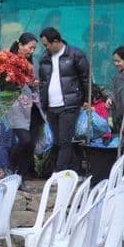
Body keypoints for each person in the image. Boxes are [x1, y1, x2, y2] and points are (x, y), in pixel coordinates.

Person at [38, 27, 90, 172]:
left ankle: (59, 172)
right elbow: (43, 82)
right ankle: (75, 169)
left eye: (47, 44)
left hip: (69, 104)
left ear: (56, 41)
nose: (45, 48)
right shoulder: (44, 58)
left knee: (65, 141)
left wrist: (87, 99)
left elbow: (85, 79)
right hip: (51, 105)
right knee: (58, 141)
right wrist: (43, 101)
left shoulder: (76, 54)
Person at [2, 33, 40, 187]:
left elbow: (32, 82)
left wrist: (33, 83)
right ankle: (10, 168)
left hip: (32, 107)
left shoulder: (31, 63)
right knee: (24, 140)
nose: (32, 51)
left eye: (34, 48)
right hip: (14, 106)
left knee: (30, 144)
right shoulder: (8, 60)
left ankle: (21, 178)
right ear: (20, 45)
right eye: (30, 47)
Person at [106, 46, 124, 136]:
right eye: (114, 61)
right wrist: (110, 98)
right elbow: (113, 91)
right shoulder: (117, 78)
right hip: (121, 118)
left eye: (118, 61)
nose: (116, 64)